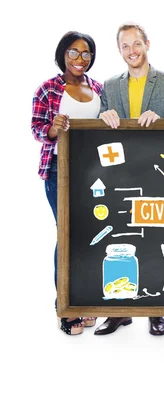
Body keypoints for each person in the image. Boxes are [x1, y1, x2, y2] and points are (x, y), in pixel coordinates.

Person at [96, 22, 164, 336]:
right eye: (125, 46)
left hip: (158, 174)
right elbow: (99, 131)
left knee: (156, 241)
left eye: (137, 44)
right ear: (119, 51)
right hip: (121, 173)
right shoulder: (109, 86)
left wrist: (162, 120)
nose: (132, 51)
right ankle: (120, 312)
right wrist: (103, 117)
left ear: (147, 44)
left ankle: (155, 311)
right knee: (119, 241)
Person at [31, 31, 102, 335]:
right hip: (60, 169)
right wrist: (52, 128)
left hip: (94, 171)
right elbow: (36, 129)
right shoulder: (48, 89)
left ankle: (84, 300)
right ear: (62, 54)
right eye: (73, 52)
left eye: (86, 53)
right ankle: (65, 306)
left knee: (91, 235)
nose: (79, 59)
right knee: (67, 234)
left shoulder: (98, 87)